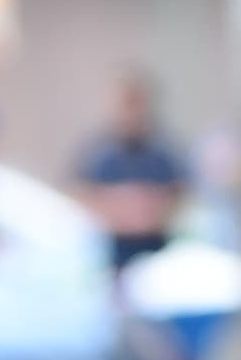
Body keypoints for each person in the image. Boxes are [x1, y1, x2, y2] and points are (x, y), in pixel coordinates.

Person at [75, 73, 186, 271]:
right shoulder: (99, 151)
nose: (132, 113)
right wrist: (118, 209)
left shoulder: (164, 150)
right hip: (114, 249)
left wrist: (149, 208)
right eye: (126, 104)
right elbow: (82, 192)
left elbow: (179, 193)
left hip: (156, 245)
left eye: (137, 103)